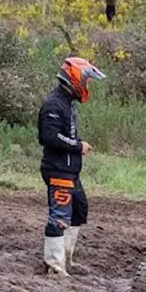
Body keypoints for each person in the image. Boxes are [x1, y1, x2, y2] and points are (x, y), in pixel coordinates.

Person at [37, 57, 106, 276]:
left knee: (78, 209)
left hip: (70, 170)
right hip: (58, 168)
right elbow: (49, 137)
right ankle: (55, 266)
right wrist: (77, 146)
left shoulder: (68, 103)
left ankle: (65, 260)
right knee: (60, 216)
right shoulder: (53, 104)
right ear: (76, 78)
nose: (88, 86)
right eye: (88, 81)